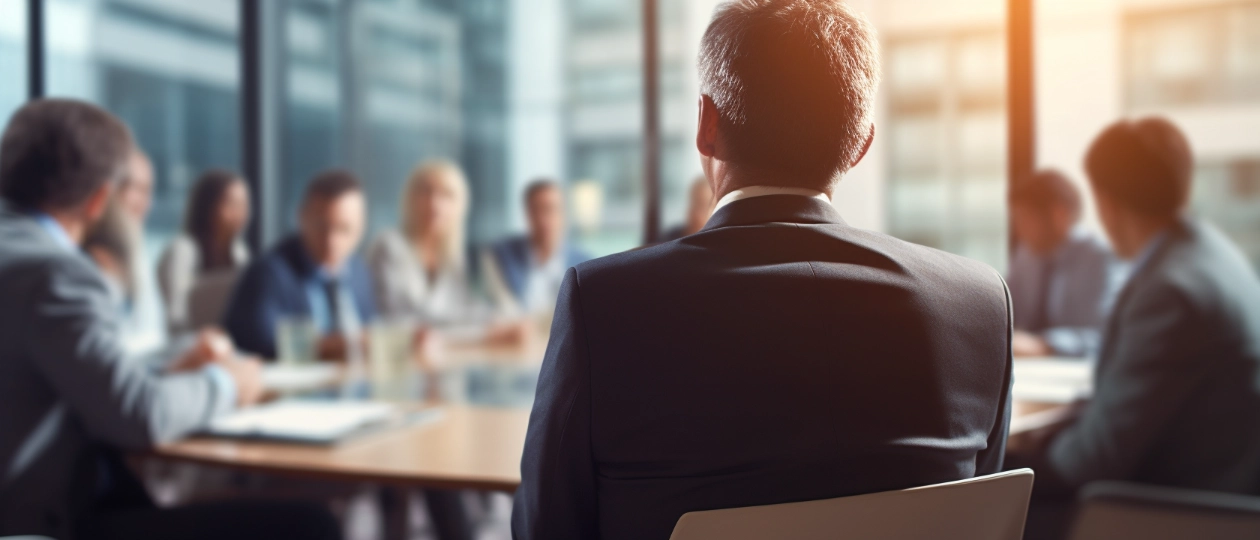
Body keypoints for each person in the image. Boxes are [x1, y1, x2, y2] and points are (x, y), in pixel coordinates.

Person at [511, 3, 1013, 539]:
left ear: (706, 126)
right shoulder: (979, 303)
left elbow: (545, 527)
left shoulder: (605, 303)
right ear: (861, 146)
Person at [0, 99, 336, 540]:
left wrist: (168, 365)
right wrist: (230, 384)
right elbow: (140, 416)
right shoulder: (57, 274)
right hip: (50, 520)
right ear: (101, 198)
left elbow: (50, 376)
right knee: (309, 525)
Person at [1013, 118, 1260, 538]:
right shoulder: (1206, 252)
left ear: (1105, 201)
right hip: (1213, 488)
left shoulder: (1172, 292)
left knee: (987, 513)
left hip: (1173, 508)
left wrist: (999, 470)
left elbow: (1096, 459)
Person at [222, 169, 375, 361]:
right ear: (302, 217)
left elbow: (371, 333)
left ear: (362, 227)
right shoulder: (269, 273)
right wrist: (340, 345)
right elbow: (259, 341)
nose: (331, 241)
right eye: (322, 226)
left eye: (344, 229)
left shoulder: (358, 272)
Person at [1007, 169, 1118, 358]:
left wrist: (1045, 345)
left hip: (1075, 368)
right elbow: (1007, 311)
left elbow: (1105, 336)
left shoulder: (1101, 258)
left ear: (1059, 214)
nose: (1019, 228)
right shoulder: (1025, 256)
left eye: (1025, 217)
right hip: (1027, 366)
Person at [158, 169, 252, 334]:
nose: (240, 214)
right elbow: (176, 317)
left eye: (244, 205)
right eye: (231, 204)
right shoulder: (182, 250)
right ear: (207, 207)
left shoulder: (240, 252)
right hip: (191, 347)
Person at [483, 180, 591, 316]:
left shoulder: (584, 266)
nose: (543, 220)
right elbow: (505, 310)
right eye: (536, 210)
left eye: (550, 209)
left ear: (564, 214)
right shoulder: (502, 257)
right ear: (527, 214)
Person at [662, 176, 715, 241]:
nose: (696, 215)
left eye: (703, 208)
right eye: (694, 205)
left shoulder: (722, 245)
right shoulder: (670, 238)